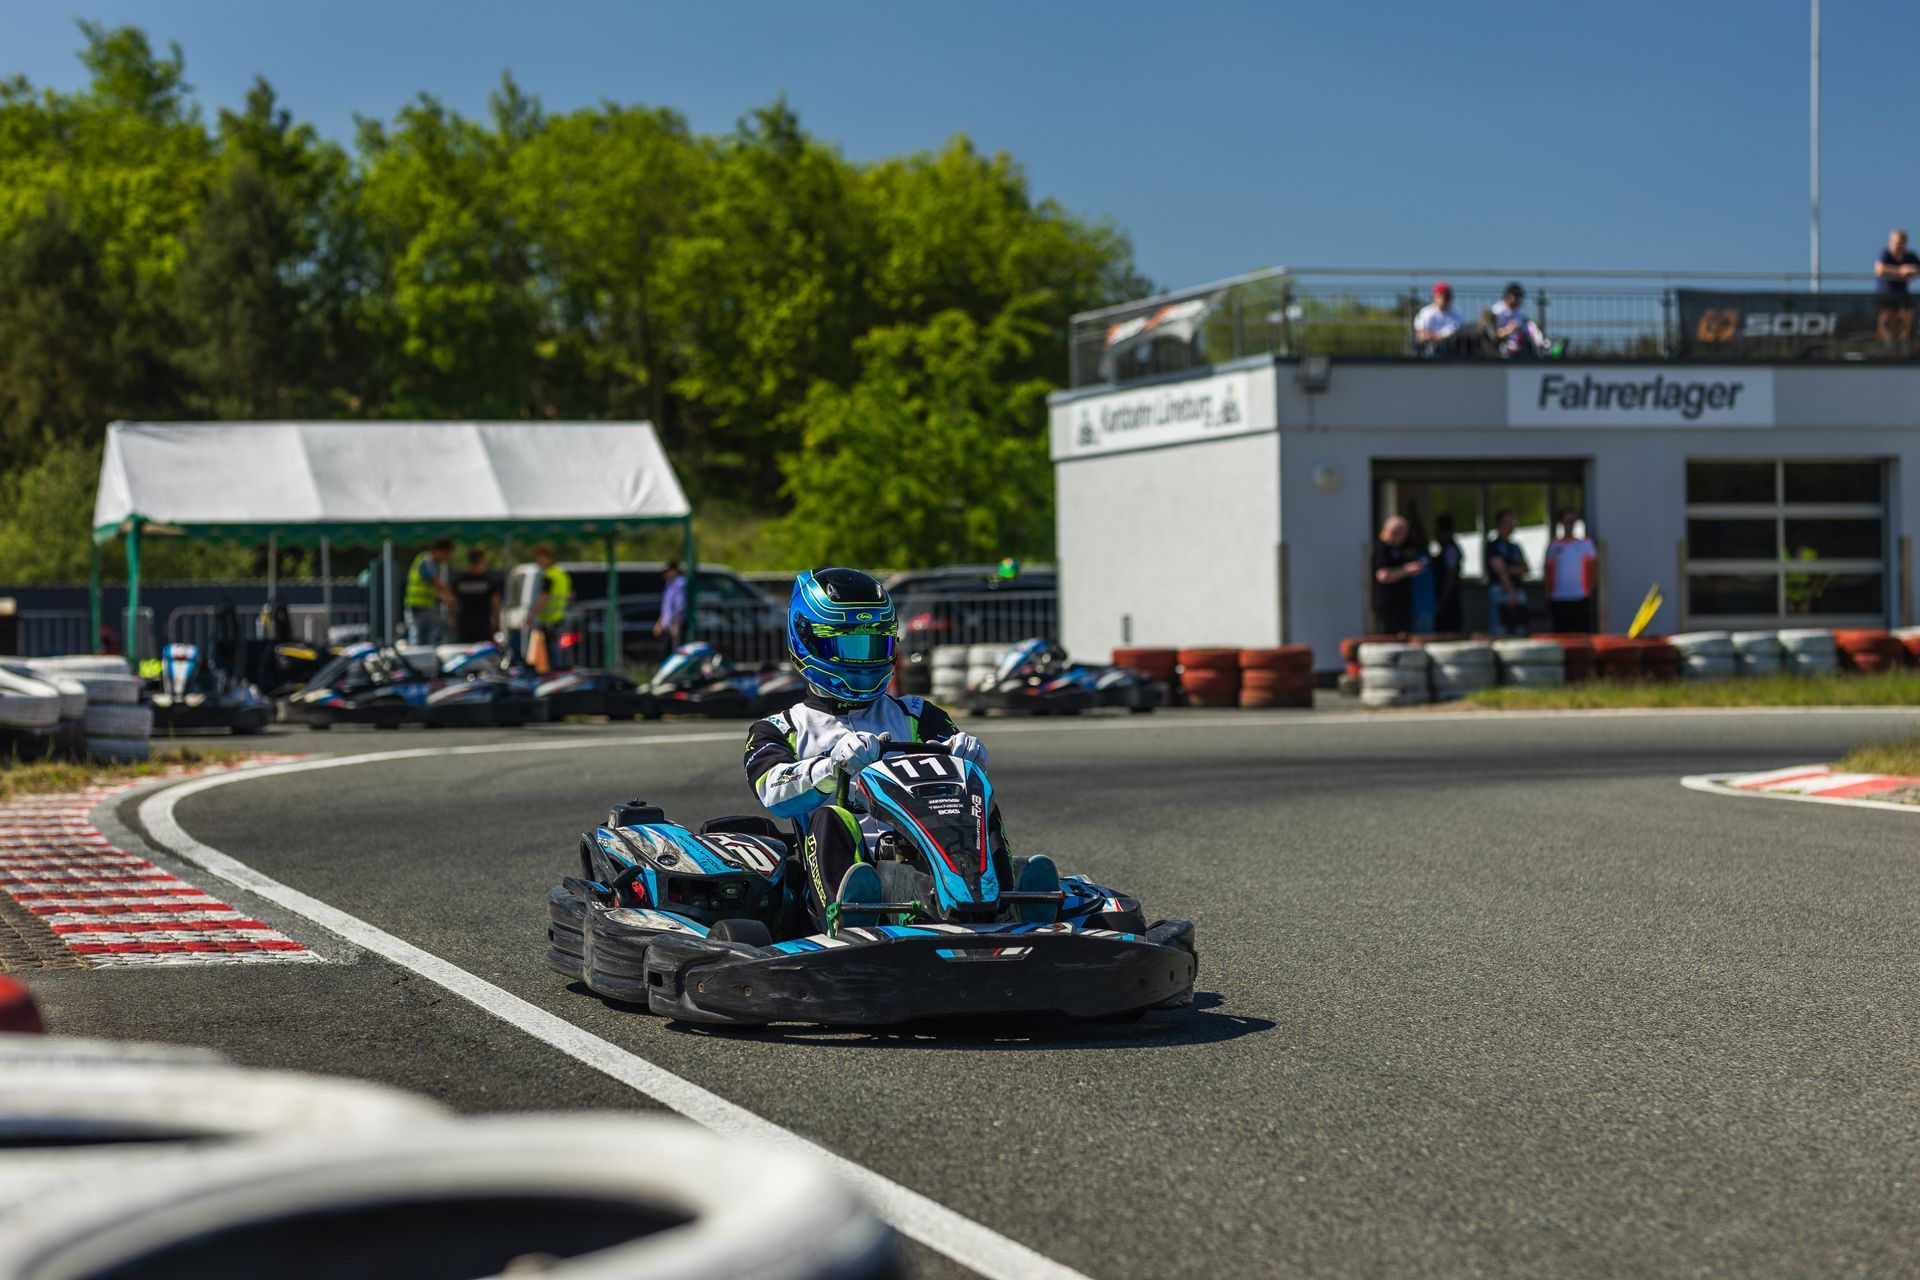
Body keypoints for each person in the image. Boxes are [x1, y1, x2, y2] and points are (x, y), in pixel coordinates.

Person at [742, 568, 1057, 935]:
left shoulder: (917, 714)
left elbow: (954, 770)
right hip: (847, 873)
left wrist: (966, 758)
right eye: (852, 647)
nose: (866, 659)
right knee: (830, 817)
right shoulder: (780, 729)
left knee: (978, 797)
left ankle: (1003, 901)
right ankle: (851, 918)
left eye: (876, 645)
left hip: (925, 856)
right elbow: (772, 790)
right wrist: (831, 767)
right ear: (808, 641)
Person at [1371, 516, 1426, 636]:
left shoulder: (1397, 548)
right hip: (1388, 607)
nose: (1405, 538)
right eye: (1403, 534)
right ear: (1393, 532)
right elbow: (1382, 576)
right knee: (1389, 639)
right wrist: (1406, 570)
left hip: (1402, 606)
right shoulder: (1381, 548)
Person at [1543, 511, 1597, 633]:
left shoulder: (1585, 544)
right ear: (1561, 523)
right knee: (1561, 633)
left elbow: (1593, 568)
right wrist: (1547, 593)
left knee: (1582, 632)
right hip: (1559, 597)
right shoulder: (1554, 545)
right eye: (1567, 521)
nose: (1569, 524)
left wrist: (1591, 589)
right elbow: (1547, 569)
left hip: (1580, 596)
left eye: (1572, 521)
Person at [403, 538, 456, 646]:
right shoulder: (427, 560)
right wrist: (451, 599)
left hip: (424, 607)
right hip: (417, 608)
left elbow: (433, 588)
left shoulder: (432, 563)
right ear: (441, 551)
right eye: (448, 554)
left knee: (426, 637)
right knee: (424, 636)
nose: (449, 558)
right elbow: (436, 583)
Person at [528, 544, 573, 671]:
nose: (538, 562)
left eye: (539, 558)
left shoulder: (549, 575)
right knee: (559, 652)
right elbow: (570, 595)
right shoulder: (562, 574)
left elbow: (544, 597)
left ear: (548, 558)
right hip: (560, 616)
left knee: (552, 655)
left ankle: (555, 675)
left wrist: (531, 614)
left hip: (549, 620)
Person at [1487, 509, 1530, 635]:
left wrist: (1507, 568)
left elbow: (1525, 569)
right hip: (1501, 591)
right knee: (1499, 631)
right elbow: (1499, 570)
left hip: (1518, 592)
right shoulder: (1493, 546)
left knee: (1519, 631)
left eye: (1512, 522)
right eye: (1507, 522)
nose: (1511, 526)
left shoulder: (1515, 547)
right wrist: (1511, 591)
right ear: (1499, 524)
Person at [1874, 229, 1919, 347]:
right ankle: (1885, 346)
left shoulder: (1910, 256)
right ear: (1891, 241)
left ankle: (1902, 345)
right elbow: (1879, 269)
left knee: (1907, 317)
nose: (1899, 245)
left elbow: (1917, 269)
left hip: (1902, 296)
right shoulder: (1885, 253)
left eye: (1902, 242)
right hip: (1885, 296)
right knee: (1887, 319)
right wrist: (1900, 271)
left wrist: (1912, 271)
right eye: (1897, 242)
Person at [452, 548, 503, 645]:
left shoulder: (460, 581)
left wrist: (455, 620)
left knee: (465, 650)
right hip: (482, 624)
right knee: (483, 650)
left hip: (464, 622)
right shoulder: (488, 581)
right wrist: (497, 624)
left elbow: (453, 603)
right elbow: (495, 604)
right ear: (481, 562)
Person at [1490, 282, 1554, 358]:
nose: (1519, 299)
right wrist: (1509, 329)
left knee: (1531, 325)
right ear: (1509, 296)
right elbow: (1495, 333)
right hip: (1504, 344)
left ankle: (1542, 346)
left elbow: (1525, 328)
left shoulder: (1519, 312)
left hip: (1522, 342)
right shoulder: (1497, 310)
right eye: (1517, 296)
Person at [1430, 513, 1464, 634]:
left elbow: (1450, 576)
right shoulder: (1445, 549)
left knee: (1448, 630)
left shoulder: (1450, 549)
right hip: (1447, 597)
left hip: (1449, 599)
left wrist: (1442, 600)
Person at [1413, 282, 1467, 356]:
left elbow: (1462, 333)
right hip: (1431, 351)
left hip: (1454, 350)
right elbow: (1421, 335)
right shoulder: (1425, 313)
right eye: (1441, 295)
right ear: (1434, 297)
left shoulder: (1458, 314)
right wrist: (1442, 337)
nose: (1444, 299)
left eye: (1447, 296)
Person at [653, 561, 687, 650]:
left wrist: (677, 623)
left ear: (675, 571)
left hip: (676, 625)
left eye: (667, 571)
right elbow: (666, 607)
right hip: (668, 626)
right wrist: (660, 622)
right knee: (665, 650)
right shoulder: (669, 584)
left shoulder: (680, 583)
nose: (665, 574)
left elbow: (680, 605)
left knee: (677, 652)